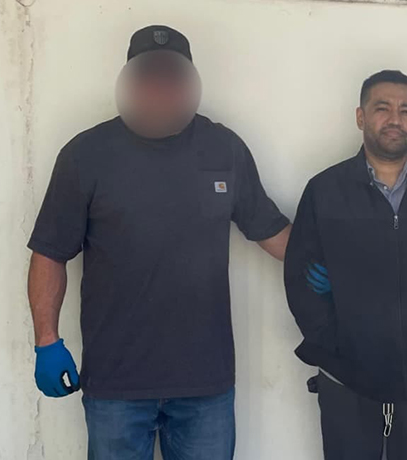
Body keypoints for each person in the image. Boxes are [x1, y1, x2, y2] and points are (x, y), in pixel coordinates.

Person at [27, 25, 290, 460]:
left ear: (189, 84)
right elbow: (50, 252)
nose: (160, 89)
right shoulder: (86, 154)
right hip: (116, 383)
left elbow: (269, 230)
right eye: (149, 78)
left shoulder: (223, 148)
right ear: (129, 83)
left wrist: (329, 264)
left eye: (172, 78)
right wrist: (47, 342)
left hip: (205, 383)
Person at [284, 70, 407, 460]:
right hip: (346, 378)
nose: (395, 119)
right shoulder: (325, 190)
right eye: (383, 108)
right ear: (360, 117)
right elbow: (301, 281)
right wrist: (338, 348)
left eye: (406, 110)